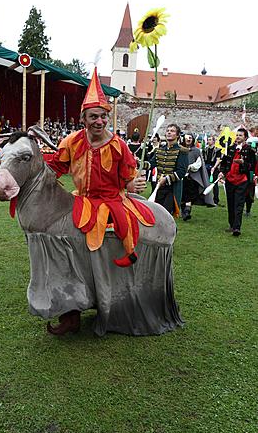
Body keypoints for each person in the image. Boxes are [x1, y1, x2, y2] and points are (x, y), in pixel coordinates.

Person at [44, 67, 154, 334]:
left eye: (103, 117)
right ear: (83, 118)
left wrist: (132, 183)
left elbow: (128, 178)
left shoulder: (119, 146)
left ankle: (115, 302)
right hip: (80, 200)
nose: (99, 122)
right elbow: (55, 168)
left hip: (112, 201)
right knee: (61, 244)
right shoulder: (71, 141)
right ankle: (70, 312)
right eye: (94, 116)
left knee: (118, 240)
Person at [219, 128, 256, 236]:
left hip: (242, 181)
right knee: (231, 203)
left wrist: (243, 162)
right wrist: (222, 172)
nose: (238, 137)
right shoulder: (230, 148)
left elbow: (252, 166)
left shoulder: (249, 150)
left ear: (245, 137)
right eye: (237, 135)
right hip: (230, 180)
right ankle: (231, 225)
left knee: (239, 204)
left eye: (240, 135)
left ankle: (237, 228)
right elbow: (224, 163)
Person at [145, 124, 189, 217]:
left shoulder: (182, 151)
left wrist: (166, 179)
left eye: (172, 131)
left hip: (172, 189)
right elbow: (150, 164)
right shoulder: (159, 150)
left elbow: (181, 172)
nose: (169, 132)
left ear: (177, 135)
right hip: (159, 187)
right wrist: (138, 162)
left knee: (166, 215)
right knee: (156, 215)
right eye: (168, 130)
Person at [181, 133, 215, 221]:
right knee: (182, 194)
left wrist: (190, 167)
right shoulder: (180, 150)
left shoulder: (196, 151)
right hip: (181, 176)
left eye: (190, 138)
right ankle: (183, 211)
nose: (188, 140)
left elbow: (199, 163)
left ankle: (187, 211)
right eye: (187, 138)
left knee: (189, 195)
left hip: (191, 177)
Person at [202, 135, 222, 205]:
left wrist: (214, 167)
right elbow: (203, 160)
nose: (208, 141)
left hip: (214, 168)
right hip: (206, 167)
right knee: (205, 183)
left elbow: (218, 160)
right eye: (208, 139)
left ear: (214, 141)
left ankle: (216, 200)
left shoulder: (217, 150)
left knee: (214, 184)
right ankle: (206, 199)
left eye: (210, 139)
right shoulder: (205, 149)